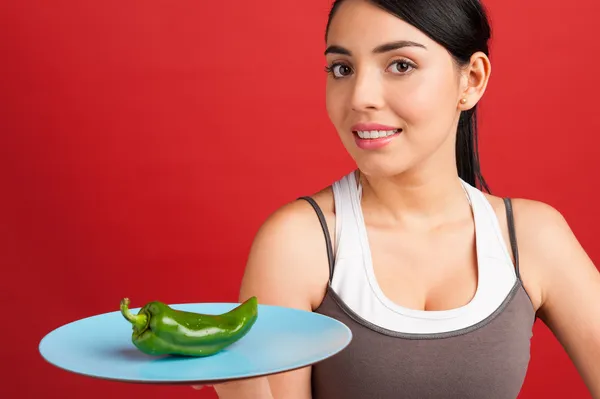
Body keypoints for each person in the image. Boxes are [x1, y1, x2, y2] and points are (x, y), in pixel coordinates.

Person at [194, 0, 600, 397]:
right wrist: (241, 383)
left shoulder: (530, 238)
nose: (359, 97)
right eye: (342, 68)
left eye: (401, 66)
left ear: (471, 79)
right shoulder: (300, 244)